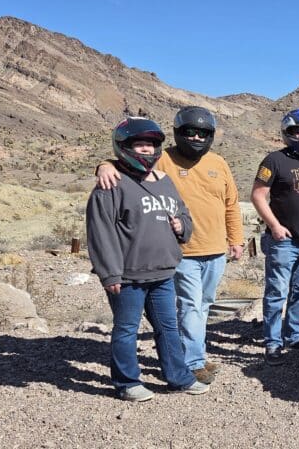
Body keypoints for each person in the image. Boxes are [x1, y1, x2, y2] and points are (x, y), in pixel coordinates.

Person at [96, 106, 244, 385]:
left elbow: (231, 204)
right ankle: (192, 363)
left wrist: (235, 239)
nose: (197, 138)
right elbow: (129, 159)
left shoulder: (219, 163)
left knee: (203, 305)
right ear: (178, 133)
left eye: (203, 133)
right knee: (189, 305)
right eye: (191, 132)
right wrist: (103, 164)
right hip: (181, 252)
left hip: (215, 249)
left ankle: (192, 353)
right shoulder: (162, 158)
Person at [86, 117, 209, 401]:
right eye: (140, 145)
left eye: (151, 145)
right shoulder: (112, 184)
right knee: (126, 329)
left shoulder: (164, 181)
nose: (146, 150)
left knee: (168, 328)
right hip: (128, 275)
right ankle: (127, 382)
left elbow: (184, 215)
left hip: (163, 272)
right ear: (125, 147)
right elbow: (100, 232)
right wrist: (110, 273)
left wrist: (181, 226)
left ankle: (179, 377)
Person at [251, 108, 299, 366]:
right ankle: (273, 343)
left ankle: (295, 335)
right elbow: (258, 195)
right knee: (277, 291)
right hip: (284, 241)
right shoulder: (274, 160)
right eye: (297, 131)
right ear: (287, 133)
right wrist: (274, 225)